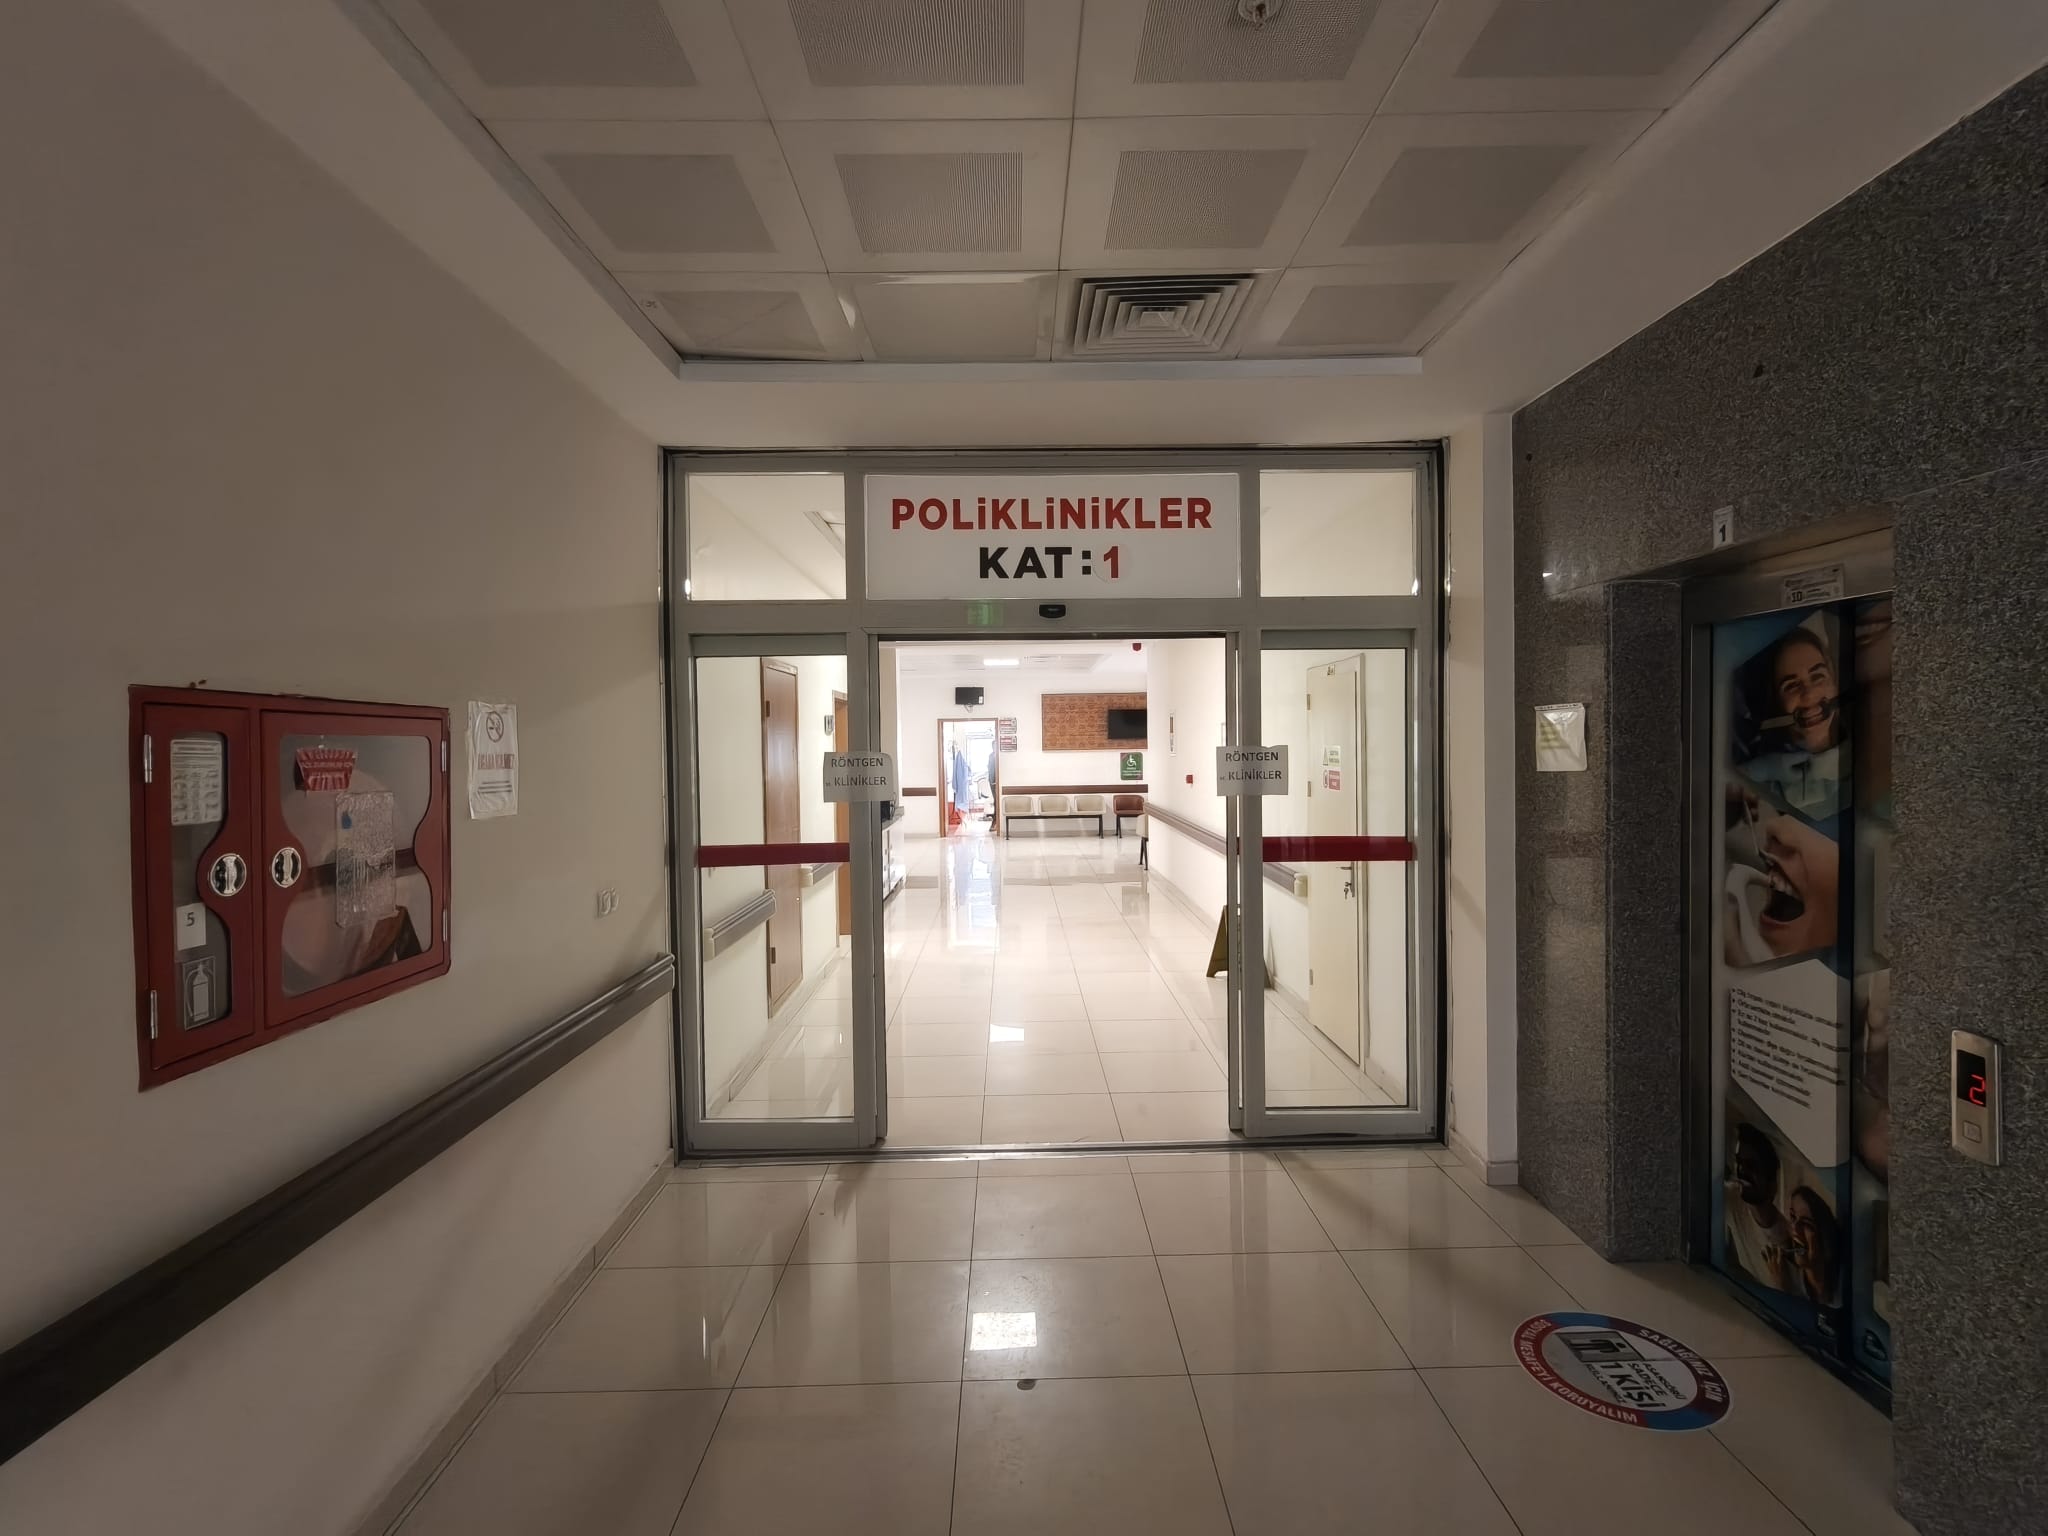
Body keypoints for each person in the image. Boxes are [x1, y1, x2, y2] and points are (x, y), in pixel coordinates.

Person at [1738, 624, 1848, 816]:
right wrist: (1750, 774)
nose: (1809, 693)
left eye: (1818, 676)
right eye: (1791, 686)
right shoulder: (1761, 782)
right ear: (1774, 703)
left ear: (1835, 684)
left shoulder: (1873, 753)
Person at [1724, 1123, 1793, 1287]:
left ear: (1771, 1184)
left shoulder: (1787, 1241)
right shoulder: (1732, 1199)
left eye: (1751, 1165)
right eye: (1739, 1162)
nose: (1741, 1170)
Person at [1768, 1185, 1843, 1306]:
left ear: (1824, 1236)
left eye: (1806, 1223)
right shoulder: (1788, 1281)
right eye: (1793, 1217)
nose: (1795, 1229)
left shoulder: (1844, 1289)